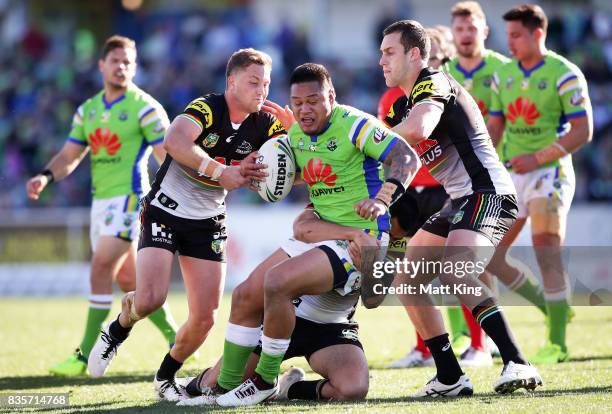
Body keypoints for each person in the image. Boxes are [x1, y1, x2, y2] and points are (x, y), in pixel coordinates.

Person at [191, 63, 419, 407]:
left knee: (352, 387)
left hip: (354, 243)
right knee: (245, 295)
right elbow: (288, 183)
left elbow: (404, 155)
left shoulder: (353, 124)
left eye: (313, 101)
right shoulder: (295, 136)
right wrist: (252, 169)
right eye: (298, 103)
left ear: (331, 97)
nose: (305, 109)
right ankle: (213, 385)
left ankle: (266, 381)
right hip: (321, 243)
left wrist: (382, 201)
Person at [87, 48, 288, 400]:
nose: (262, 91)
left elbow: (292, 169)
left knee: (205, 319)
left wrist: (295, 135)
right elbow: (174, 141)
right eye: (254, 82)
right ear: (231, 81)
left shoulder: (268, 124)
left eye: (267, 84)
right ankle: (115, 333)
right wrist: (219, 171)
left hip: (208, 221)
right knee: (149, 299)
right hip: (166, 209)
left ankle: (165, 378)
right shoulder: (208, 107)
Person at [380, 19, 542, 396]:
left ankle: (517, 361)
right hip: (461, 200)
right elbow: (397, 157)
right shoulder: (403, 103)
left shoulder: (434, 83)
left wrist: (364, 135)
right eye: (381, 53)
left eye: (389, 52)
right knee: (408, 279)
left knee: (456, 269)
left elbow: (418, 130)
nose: (381, 61)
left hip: (489, 193)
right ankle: (450, 377)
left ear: (414, 53)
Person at [26, 35, 179, 377]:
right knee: (130, 280)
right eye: (115, 61)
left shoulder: (145, 107)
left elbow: (167, 154)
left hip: (130, 198)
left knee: (99, 268)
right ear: (101, 65)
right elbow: (70, 155)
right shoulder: (88, 110)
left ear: (135, 67)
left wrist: (181, 192)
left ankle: (83, 355)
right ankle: (177, 339)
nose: (121, 67)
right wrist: (46, 176)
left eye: (128, 62)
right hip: (101, 203)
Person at [178, 204, 372, 406]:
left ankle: (287, 388)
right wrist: (353, 233)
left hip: (332, 326)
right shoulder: (331, 201)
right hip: (282, 317)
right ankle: (191, 384)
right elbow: (301, 227)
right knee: (216, 383)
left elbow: (374, 299)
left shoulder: (382, 227)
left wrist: (371, 270)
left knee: (353, 389)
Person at [486, 4, 592, 364]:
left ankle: (557, 342)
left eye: (516, 35)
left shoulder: (565, 73)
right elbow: (496, 127)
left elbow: (583, 130)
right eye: (508, 35)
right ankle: (554, 308)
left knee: (545, 247)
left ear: (538, 33)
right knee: (490, 257)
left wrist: (539, 158)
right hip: (512, 173)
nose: (510, 42)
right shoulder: (503, 75)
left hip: (551, 172)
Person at [387, 25, 474, 370]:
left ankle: (478, 345)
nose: (433, 64)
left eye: (437, 57)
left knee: (457, 269)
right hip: (410, 189)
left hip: (446, 191)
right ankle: (424, 349)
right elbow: (388, 146)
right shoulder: (393, 99)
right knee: (411, 272)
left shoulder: (443, 89)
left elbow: (422, 131)